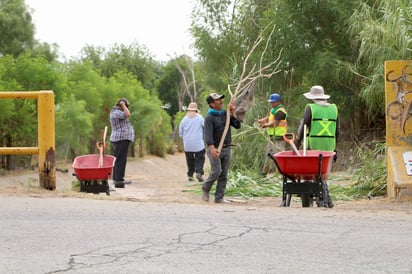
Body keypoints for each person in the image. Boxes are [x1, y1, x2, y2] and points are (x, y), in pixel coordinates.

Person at [294, 85, 340, 208]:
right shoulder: (334, 109)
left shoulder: (311, 108)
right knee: (323, 173)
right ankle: (326, 199)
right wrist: (335, 147)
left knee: (315, 172)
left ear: (312, 98)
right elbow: (337, 131)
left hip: (314, 144)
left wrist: (297, 143)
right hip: (330, 144)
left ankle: (322, 198)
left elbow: (302, 126)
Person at [202, 93, 241, 203]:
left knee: (224, 174)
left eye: (220, 99)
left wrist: (233, 112)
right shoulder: (209, 118)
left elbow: (237, 125)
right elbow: (208, 135)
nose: (221, 101)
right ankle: (205, 188)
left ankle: (219, 198)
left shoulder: (225, 114)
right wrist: (212, 148)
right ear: (212, 104)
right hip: (215, 149)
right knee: (216, 171)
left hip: (227, 148)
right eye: (217, 100)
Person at [258, 93, 288, 176]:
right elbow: (268, 118)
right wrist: (262, 120)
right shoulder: (272, 110)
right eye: (271, 102)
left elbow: (274, 123)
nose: (272, 104)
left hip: (279, 138)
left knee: (279, 157)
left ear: (278, 102)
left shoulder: (281, 112)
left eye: (273, 102)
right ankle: (264, 173)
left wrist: (265, 125)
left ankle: (281, 175)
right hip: (271, 138)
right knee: (268, 155)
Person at [109, 98, 135, 188]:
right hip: (120, 139)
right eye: (125, 106)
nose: (126, 108)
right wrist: (123, 105)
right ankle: (118, 180)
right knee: (120, 160)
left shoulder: (117, 112)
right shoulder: (116, 112)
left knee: (119, 159)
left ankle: (117, 179)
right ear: (121, 105)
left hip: (122, 138)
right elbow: (127, 114)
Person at [179, 102, 206, 182]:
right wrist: (203, 137)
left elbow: (180, 132)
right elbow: (205, 128)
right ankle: (199, 172)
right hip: (198, 143)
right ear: (196, 110)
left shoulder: (184, 119)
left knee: (189, 159)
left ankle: (190, 175)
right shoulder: (200, 118)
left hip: (187, 144)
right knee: (200, 158)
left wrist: (185, 139)